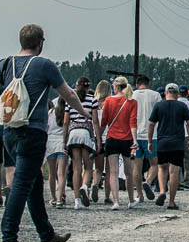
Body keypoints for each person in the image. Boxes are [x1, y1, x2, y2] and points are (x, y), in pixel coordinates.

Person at [0, 24, 83, 242]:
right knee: (21, 183)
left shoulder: (5, 63)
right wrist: (83, 112)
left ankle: (46, 235)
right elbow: (67, 93)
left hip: (10, 130)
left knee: (34, 182)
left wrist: (8, 109)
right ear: (40, 43)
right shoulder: (44, 64)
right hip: (33, 131)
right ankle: (9, 236)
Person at [146, 83, 189, 210]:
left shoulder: (159, 105)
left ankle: (162, 191)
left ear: (165, 93)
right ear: (177, 93)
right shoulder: (182, 106)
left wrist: (150, 141)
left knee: (161, 168)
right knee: (174, 171)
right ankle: (171, 201)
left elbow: (151, 124)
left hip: (162, 141)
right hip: (177, 143)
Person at [100, 76, 139, 209]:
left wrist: (99, 137)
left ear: (116, 87)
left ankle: (116, 201)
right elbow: (132, 122)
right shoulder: (132, 102)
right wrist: (135, 139)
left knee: (113, 172)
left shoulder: (108, 100)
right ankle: (131, 199)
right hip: (126, 139)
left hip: (112, 138)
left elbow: (104, 121)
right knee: (128, 172)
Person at [64, 77, 100, 208]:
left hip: (73, 133)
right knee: (88, 166)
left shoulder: (70, 101)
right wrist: (99, 140)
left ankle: (76, 201)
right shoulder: (92, 100)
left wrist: (64, 141)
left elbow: (65, 122)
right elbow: (95, 121)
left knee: (76, 168)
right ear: (88, 87)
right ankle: (84, 186)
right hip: (86, 132)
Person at [131, 75, 161, 198]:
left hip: (135, 135)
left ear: (137, 84)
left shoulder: (132, 95)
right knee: (154, 164)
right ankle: (148, 182)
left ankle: (139, 194)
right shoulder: (155, 95)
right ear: (148, 83)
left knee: (136, 166)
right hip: (152, 135)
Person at [45, 98, 69, 208]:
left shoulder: (50, 112)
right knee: (61, 173)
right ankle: (60, 199)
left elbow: (47, 127)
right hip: (62, 142)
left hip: (50, 142)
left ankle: (54, 197)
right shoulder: (67, 112)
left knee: (52, 173)